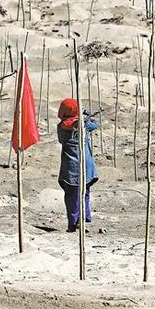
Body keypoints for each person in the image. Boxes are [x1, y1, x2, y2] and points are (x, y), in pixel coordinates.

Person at [56, 98, 99, 232]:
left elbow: (62, 138)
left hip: (70, 168)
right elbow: (95, 124)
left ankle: (73, 223)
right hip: (86, 166)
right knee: (84, 192)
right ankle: (84, 218)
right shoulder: (84, 125)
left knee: (72, 196)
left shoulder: (61, 127)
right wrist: (86, 114)